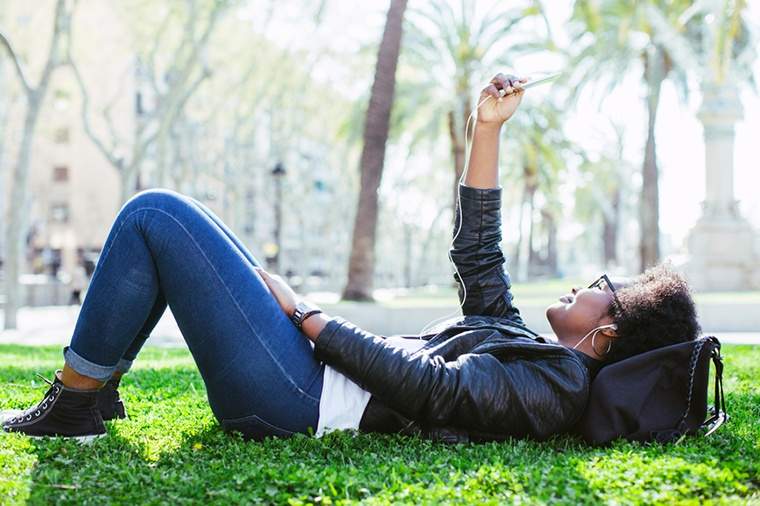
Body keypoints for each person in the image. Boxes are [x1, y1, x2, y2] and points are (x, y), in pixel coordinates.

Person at [1, 74, 700, 442]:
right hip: (307, 377)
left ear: (606, 330)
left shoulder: (560, 390)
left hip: (298, 399)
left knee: (155, 214)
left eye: (601, 287)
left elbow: (438, 389)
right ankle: (97, 391)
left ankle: (75, 402)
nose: (585, 283)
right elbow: (479, 251)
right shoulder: (528, 349)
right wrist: (484, 129)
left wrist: (307, 315)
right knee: (183, 225)